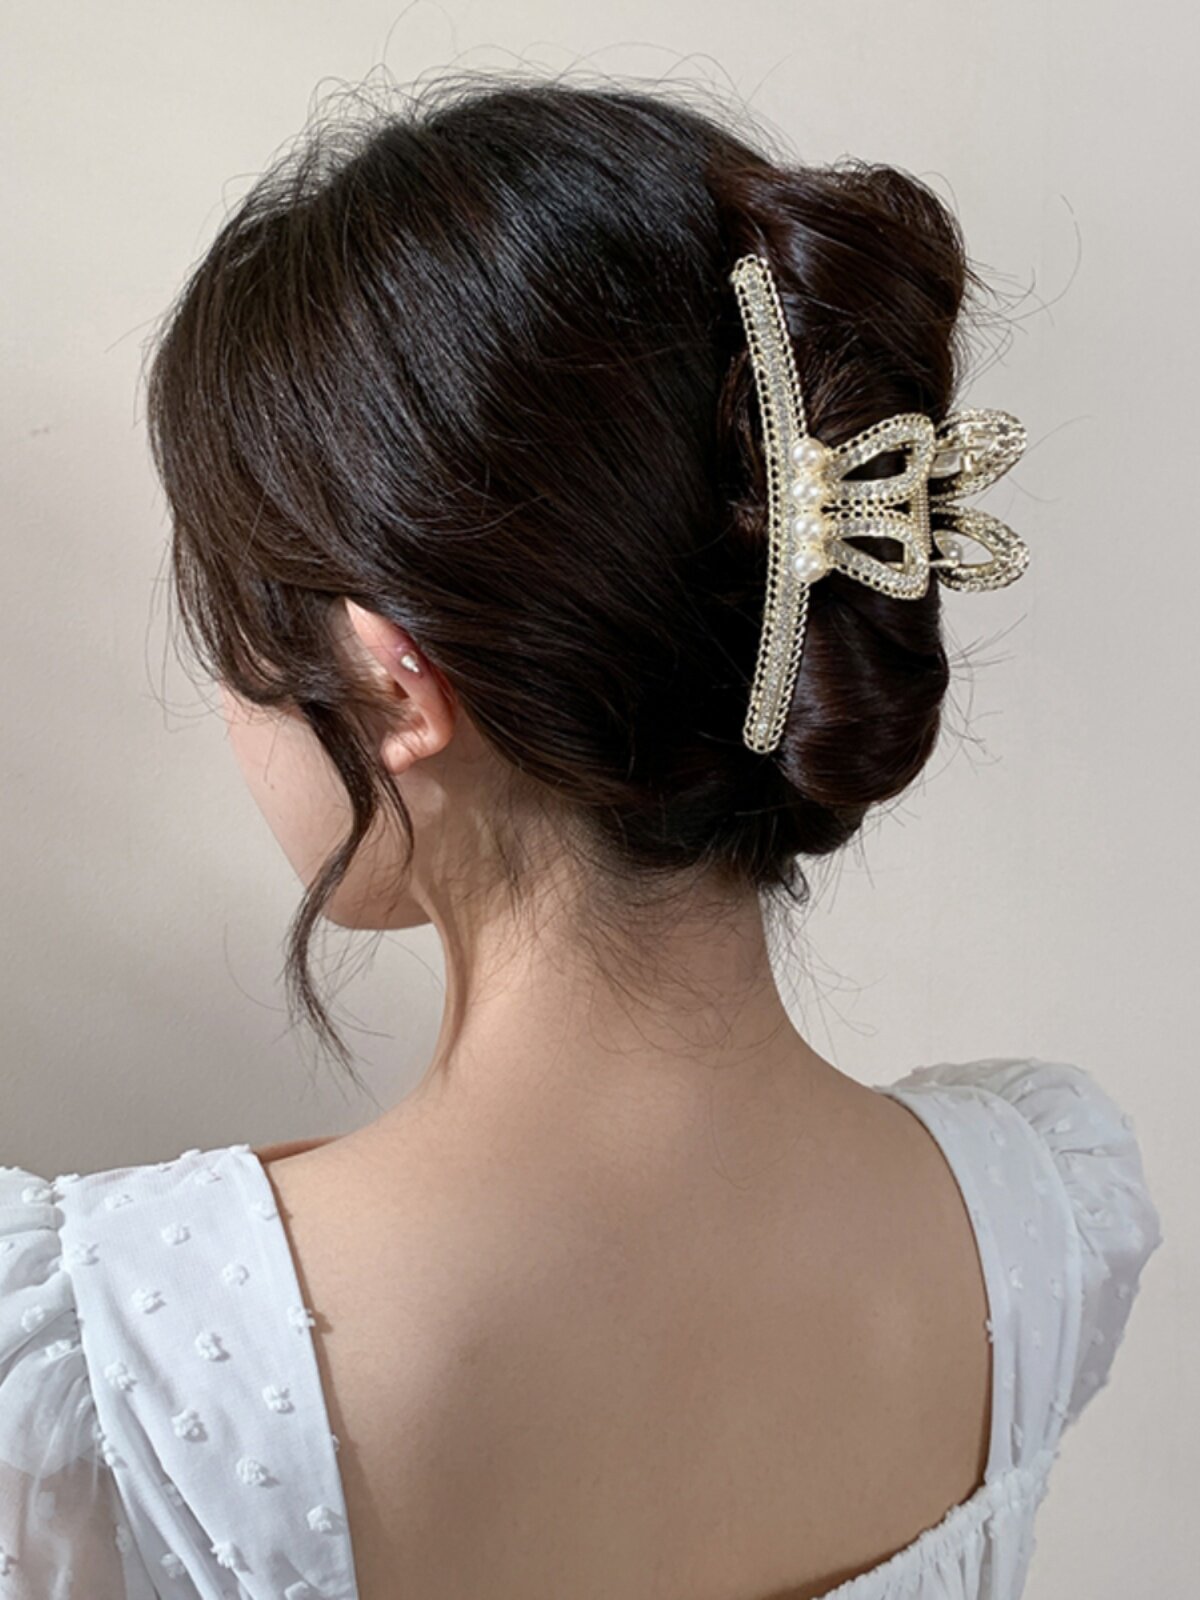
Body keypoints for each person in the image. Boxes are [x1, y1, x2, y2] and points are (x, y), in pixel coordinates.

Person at [0, 70, 1162, 1600]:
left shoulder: (117, 1368)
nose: (227, 699)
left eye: (232, 624)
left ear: (391, 682)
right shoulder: (1029, 1225)